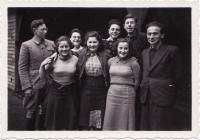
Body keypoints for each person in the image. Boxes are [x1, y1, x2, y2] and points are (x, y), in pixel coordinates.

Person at [140, 21, 182, 130]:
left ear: (162, 35)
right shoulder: (144, 52)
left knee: (158, 129)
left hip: (162, 97)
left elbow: (178, 76)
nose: (151, 36)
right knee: (145, 129)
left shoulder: (171, 50)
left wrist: (169, 92)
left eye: (155, 33)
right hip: (145, 96)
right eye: (149, 34)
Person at [18, 19, 55, 130]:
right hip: (34, 84)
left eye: (46, 29)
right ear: (34, 30)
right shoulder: (26, 45)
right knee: (32, 111)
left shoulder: (51, 43)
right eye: (42, 29)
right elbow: (22, 67)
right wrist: (27, 87)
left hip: (49, 83)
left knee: (45, 110)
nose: (45, 31)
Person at [39, 36, 78, 130]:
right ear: (57, 48)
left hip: (70, 93)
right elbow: (42, 77)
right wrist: (42, 65)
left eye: (66, 46)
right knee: (54, 121)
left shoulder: (76, 59)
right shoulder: (53, 59)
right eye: (61, 47)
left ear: (70, 47)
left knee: (69, 119)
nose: (64, 49)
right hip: (55, 92)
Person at [103, 38, 140, 130]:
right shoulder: (110, 61)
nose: (123, 51)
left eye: (125, 48)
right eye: (120, 48)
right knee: (110, 117)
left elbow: (137, 81)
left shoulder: (134, 62)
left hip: (127, 95)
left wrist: (127, 89)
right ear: (116, 48)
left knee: (125, 119)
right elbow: (108, 77)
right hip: (112, 94)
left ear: (129, 49)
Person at [77, 31, 110, 130]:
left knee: (99, 112)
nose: (92, 45)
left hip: (101, 87)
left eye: (94, 42)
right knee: (86, 111)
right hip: (86, 86)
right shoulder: (82, 53)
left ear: (99, 43)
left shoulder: (106, 54)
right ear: (86, 43)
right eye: (89, 42)